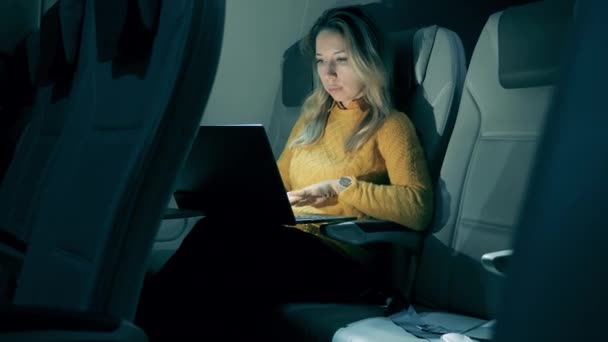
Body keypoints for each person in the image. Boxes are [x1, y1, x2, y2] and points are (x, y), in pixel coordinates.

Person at [135, 6, 433, 341]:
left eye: (341, 59)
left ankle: (141, 331)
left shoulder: (391, 125)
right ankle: (141, 330)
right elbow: (277, 186)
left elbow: (418, 207)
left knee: (226, 250)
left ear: (369, 61)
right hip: (289, 242)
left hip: (342, 259)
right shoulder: (312, 120)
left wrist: (341, 187)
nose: (328, 73)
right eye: (321, 61)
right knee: (216, 235)